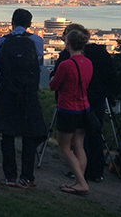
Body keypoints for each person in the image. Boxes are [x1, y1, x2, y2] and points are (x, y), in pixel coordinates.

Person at [0, 8, 47, 189]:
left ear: (12, 22)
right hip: (28, 93)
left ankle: (10, 176)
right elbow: (40, 64)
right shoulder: (37, 41)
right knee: (29, 134)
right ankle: (27, 177)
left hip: (7, 92)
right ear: (30, 24)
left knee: (7, 133)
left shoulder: (2, 41)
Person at [53, 23, 116, 182]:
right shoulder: (101, 53)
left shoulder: (68, 57)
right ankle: (95, 171)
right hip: (97, 100)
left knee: (72, 142)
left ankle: (78, 174)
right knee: (94, 135)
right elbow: (112, 75)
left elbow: (55, 81)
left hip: (73, 103)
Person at [49, 29, 92, 195]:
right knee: (79, 145)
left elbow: (54, 85)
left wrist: (52, 78)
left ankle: (80, 182)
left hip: (68, 108)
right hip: (84, 107)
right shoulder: (88, 63)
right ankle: (78, 180)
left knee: (65, 148)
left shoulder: (66, 64)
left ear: (68, 43)